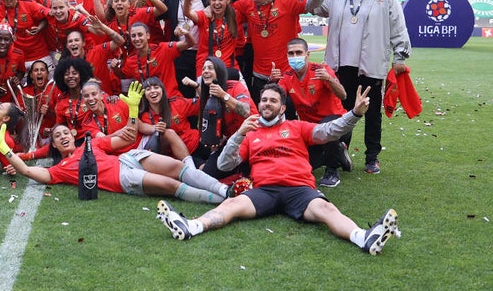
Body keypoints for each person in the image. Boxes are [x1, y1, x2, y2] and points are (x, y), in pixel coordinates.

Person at [156, 83, 402, 257]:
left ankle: (364, 238)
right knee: (231, 206)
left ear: (282, 107)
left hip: (299, 188)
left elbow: (329, 131)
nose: (267, 104)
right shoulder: (250, 134)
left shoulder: (297, 127)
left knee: (326, 209)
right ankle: (191, 227)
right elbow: (223, 165)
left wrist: (355, 114)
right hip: (265, 190)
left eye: (273, 101)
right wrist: (239, 134)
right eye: (263, 100)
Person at [0, 82, 233, 204]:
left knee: (177, 169)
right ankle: (221, 201)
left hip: (129, 157)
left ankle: (224, 191)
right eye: (58, 136)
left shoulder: (89, 144)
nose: (65, 136)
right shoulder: (61, 170)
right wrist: (4, 149)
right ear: (54, 146)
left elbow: (129, 137)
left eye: (66, 132)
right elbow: (26, 170)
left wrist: (133, 109)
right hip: (122, 178)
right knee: (170, 184)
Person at [308, 0, 412, 174]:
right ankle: (340, 152)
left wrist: (400, 56)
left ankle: (372, 157)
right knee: (342, 112)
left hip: (371, 64)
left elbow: (398, 26)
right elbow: (315, 9)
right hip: (340, 64)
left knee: (372, 112)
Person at [271, 38, 353, 187]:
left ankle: (332, 171)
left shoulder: (321, 70)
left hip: (337, 124)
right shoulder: (287, 76)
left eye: (298, 52)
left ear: (307, 54)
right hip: (311, 130)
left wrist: (329, 79)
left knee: (326, 126)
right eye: (291, 53)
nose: (295, 56)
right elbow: (274, 100)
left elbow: (343, 95)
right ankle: (339, 155)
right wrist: (271, 83)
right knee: (307, 164)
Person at [233, 0, 322, 103]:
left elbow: (311, 5)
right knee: (263, 115)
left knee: (288, 117)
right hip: (259, 75)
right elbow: (228, 17)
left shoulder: (287, 0)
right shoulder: (246, 3)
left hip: (287, 74)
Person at [162, 0, 248, 98]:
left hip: (210, 56)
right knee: (190, 95)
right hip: (185, 53)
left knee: (234, 98)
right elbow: (170, 13)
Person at [121, 22, 194, 99]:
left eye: (140, 35)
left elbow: (189, 43)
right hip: (149, 103)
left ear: (148, 35)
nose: (137, 39)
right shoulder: (131, 60)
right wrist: (115, 68)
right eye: (133, 36)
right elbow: (123, 75)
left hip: (170, 99)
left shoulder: (163, 49)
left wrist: (186, 33)